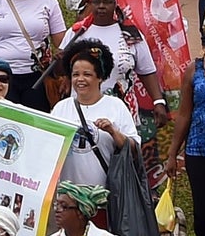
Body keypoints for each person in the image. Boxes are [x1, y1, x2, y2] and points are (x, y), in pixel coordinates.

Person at [47, 41, 137, 195]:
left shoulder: (116, 106)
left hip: (104, 196)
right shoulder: (61, 108)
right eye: (75, 75)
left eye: (87, 74)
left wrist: (113, 132)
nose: (80, 79)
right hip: (67, 198)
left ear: (100, 77)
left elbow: (133, 148)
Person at [164, 36, 205, 236]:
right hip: (199, 150)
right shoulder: (195, 70)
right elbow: (184, 113)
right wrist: (173, 153)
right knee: (204, 214)